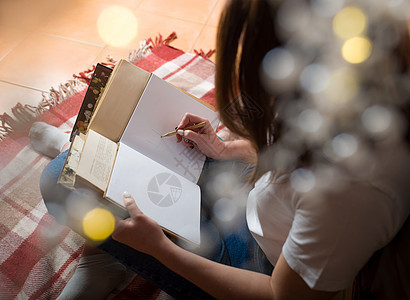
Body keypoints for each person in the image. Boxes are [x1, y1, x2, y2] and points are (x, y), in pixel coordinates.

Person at [35, 0, 410, 299]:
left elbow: (282, 295)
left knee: (59, 180)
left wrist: (160, 251)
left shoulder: (353, 189)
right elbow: (297, 152)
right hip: (262, 200)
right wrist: (226, 149)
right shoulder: (354, 83)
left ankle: (107, 250)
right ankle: (90, 160)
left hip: (258, 265)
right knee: (122, 153)